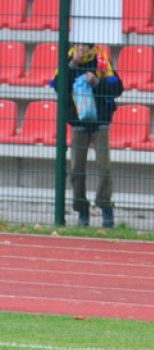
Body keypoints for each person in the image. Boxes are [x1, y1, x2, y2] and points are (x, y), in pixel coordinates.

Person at [49, 43, 124, 228]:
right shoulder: (67, 60)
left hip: (101, 121)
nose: (82, 50)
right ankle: (82, 209)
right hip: (78, 121)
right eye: (79, 46)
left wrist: (97, 82)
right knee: (76, 169)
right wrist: (72, 65)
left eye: (85, 47)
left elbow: (118, 89)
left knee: (104, 166)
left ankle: (105, 206)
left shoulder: (102, 60)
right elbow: (59, 88)